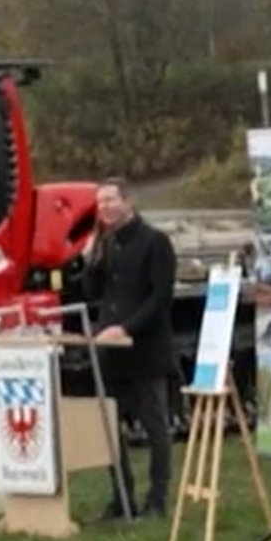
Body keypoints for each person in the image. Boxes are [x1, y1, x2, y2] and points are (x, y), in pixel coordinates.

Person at [82, 177, 179, 519]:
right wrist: (91, 256)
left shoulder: (155, 242)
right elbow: (93, 291)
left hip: (146, 348)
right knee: (111, 425)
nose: (104, 207)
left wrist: (125, 328)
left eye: (110, 200)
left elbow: (160, 297)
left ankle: (157, 497)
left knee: (155, 425)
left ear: (127, 201)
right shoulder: (106, 244)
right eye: (100, 202)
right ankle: (121, 496)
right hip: (112, 352)